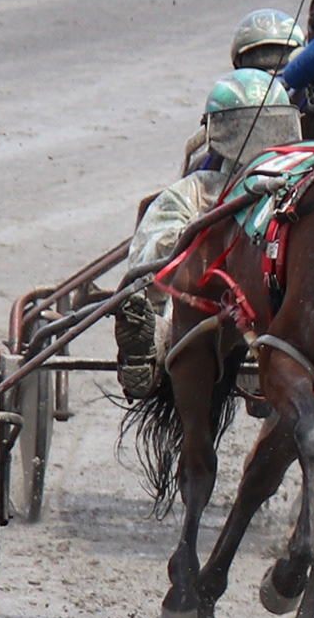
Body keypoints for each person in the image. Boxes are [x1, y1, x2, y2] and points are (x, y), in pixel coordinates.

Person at [115, 69, 293, 393]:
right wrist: (197, 240)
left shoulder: (297, 189)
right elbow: (152, 257)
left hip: (270, 304)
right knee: (186, 273)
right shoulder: (198, 189)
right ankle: (156, 342)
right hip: (210, 305)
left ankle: (162, 340)